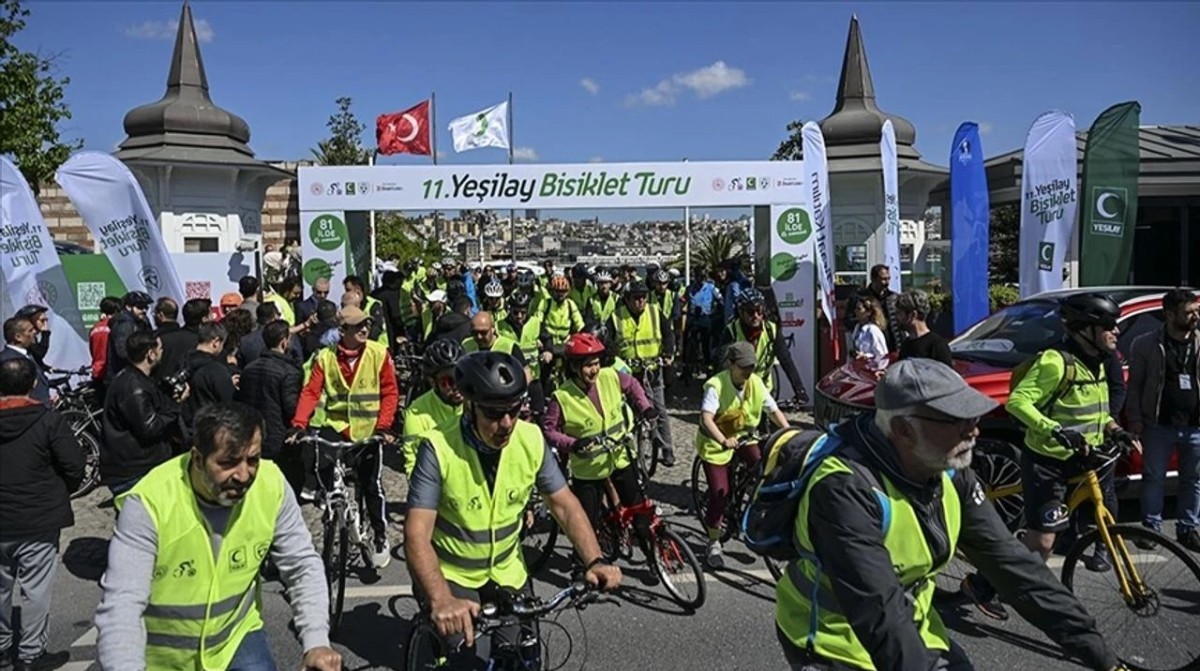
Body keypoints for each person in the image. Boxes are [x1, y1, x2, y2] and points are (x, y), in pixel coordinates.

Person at [774, 358, 1124, 671]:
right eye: (956, 421)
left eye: (972, 416)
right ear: (903, 430)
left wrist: (1102, 657)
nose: (973, 430)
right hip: (833, 642)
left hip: (914, 625)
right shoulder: (843, 490)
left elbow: (1013, 567)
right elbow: (879, 611)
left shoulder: (950, 473)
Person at [404, 351, 622, 667]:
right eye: (494, 414)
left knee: (523, 657)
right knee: (467, 662)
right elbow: (416, 533)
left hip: (508, 571)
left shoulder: (530, 438)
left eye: (513, 410)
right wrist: (441, 598)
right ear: (470, 406)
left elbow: (564, 504)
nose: (506, 423)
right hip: (453, 575)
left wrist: (595, 559)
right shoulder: (437, 446)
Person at [95, 403, 341, 671]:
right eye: (228, 462)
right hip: (162, 660)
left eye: (252, 459)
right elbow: (122, 604)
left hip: (235, 640)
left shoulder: (271, 484)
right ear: (197, 459)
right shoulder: (148, 503)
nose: (244, 474)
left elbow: (302, 563)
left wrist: (317, 641)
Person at [962, 293, 1140, 618]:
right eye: (1108, 326)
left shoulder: (1098, 361)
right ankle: (982, 584)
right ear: (1085, 329)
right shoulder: (1055, 361)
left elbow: (1095, 411)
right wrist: (1055, 429)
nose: (1116, 332)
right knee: (1043, 542)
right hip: (1048, 461)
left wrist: (1115, 429)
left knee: (1081, 521)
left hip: (1083, 458)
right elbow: (1018, 402)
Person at [291, 306, 399, 568]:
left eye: (367, 325)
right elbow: (310, 392)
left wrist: (384, 427)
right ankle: (333, 510)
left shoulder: (378, 353)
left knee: (371, 485)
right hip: (337, 426)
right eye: (358, 326)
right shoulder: (325, 358)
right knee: (323, 468)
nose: (364, 329)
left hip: (369, 430)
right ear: (343, 331)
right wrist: (299, 424)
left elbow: (390, 392)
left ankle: (380, 536)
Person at [0, 357, 83, 671]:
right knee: (35, 590)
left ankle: (3, 649)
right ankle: (31, 654)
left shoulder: (47, 420)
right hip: (38, 516)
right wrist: (59, 490)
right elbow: (75, 465)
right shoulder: (49, 420)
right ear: (34, 384)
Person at [543, 333, 656, 554]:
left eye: (596, 364)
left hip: (620, 457)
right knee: (586, 525)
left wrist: (645, 407)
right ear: (575, 367)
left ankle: (653, 557)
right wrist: (572, 443)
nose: (594, 370)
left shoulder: (610, 376)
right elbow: (549, 430)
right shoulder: (562, 396)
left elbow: (633, 385)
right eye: (588, 366)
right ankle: (580, 567)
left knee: (640, 512)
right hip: (588, 471)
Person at [696, 341, 789, 568]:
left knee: (761, 470)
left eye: (751, 367)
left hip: (745, 437)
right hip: (716, 443)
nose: (748, 371)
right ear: (731, 364)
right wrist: (722, 439)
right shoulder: (716, 385)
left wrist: (788, 432)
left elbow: (773, 410)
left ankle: (752, 513)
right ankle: (713, 542)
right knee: (720, 493)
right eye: (744, 367)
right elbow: (707, 418)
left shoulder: (755, 382)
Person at [1127, 288, 1200, 552]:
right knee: (1153, 477)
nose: (1195, 316)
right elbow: (1134, 386)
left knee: (1193, 479)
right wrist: (1135, 419)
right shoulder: (1146, 344)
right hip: (1158, 424)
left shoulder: (1199, 341)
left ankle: (1188, 528)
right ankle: (1151, 528)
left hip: (1195, 425)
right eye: (1188, 312)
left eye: (1196, 311)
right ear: (1169, 314)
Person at [101, 330, 186, 496]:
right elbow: (149, 427)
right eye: (160, 348)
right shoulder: (133, 385)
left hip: (138, 466)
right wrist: (176, 405)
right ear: (151, 354)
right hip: (135, 470)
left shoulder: (138, 379)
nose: (163, 352)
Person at [605, 280, 677, 466]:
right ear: (627, 299)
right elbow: (608, 343)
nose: (640, 302)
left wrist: (668, 354)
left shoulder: (654, 312)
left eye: (643, 297)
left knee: (659, 410)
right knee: (624, 411)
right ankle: (626, 449)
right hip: (627, 374)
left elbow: (668, 333)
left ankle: (667, 449)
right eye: (636, 298)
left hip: (652, 370)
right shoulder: (616, 317)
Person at [237, 320, 304, 493]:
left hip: (255, 434)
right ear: (284, 341)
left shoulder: (249, 369)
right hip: (280, 438)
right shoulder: (289, 372)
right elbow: (291, 408)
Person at [718, 287, 808, 406]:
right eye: (750, 312)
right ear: (741, 312)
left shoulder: (772, 330)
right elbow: (722, 365)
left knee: (769, 419)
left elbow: (786, 360)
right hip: (739, 387)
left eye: (759, 311)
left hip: (764, 386)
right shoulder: (732, 331)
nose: (756, 316)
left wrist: (799, 389)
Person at [402, 339, 466, 477]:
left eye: (459, 377)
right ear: (432, 382)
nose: (456, 387)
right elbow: (414, 466)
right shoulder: (415, 414)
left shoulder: (477, 399)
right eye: (447, 382)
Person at [180, 322, 238, 435]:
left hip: (185, 428)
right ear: (216, 342)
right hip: (210, 430)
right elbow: (229, 402)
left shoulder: (182, 362)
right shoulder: (216, 370)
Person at [845, 264, 905, 353]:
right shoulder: (859, 298)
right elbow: (848, 321)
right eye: (883, 279)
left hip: (893, 346)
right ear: (874, 279)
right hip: (869, 344)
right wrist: (867, 322)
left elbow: (901, 321)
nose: (887, 283)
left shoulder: (894, 298)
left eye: (888, 278)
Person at [156, 297, 210, 383]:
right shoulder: (204, 344)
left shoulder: (165, 339)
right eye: (210, 315)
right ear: (204, 319)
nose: (213, 318)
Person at [105, 291, 154, 384]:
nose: (144, 310)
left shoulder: (142, 322)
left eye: (146, 307)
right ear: (128, 307)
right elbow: (122, 352)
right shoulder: (125, 324)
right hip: (122, 376)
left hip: (133, 375)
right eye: (140, 307)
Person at [896, 289, 952, 367]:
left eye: (899, 313)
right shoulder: (906, 345)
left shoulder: (937, 345)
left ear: (912, 315)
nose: (897, 317)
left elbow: (946, 377)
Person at [0, 317, 50, 405]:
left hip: (40, 410)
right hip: (25, 412)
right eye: (30, 330)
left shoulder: (28, 354)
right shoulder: (8, 361)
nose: (35, 332)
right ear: (18, 337)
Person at [851, 295, 890, 374]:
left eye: (859, 309)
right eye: (856, 308)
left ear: (868, 312)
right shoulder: (857, 328)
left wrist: (866, 356)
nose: (855, 311)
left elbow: (883, 356)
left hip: (871, 373)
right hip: (859, 371)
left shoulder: (873, 330)